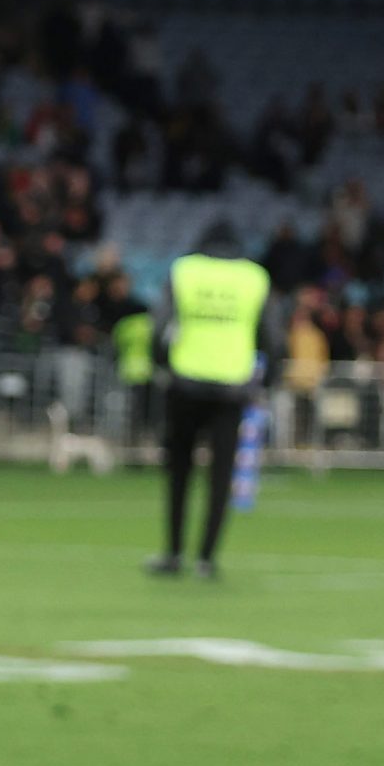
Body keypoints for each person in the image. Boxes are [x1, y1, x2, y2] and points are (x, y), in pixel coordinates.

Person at [148, 229, 277, 580]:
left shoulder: (185, 270)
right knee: (221, 476)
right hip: (232, 388)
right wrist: (267, 380)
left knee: (179, 473)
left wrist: (162, 365)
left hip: (185, 383)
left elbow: (159, 325)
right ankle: (206, 558)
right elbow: (272, 335)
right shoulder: (254, 277)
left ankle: (173, 553)